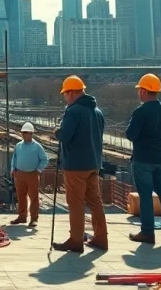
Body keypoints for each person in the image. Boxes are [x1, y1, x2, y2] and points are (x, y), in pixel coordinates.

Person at [53, 75, 108, 253]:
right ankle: (101, 237)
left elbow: (65, 136)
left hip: (76, 165)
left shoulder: (73, 111)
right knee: (95, 201)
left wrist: (57, 132)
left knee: (75, 203)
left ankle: (76, 240)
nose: (64, 98)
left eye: (65, 94)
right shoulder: (97, 111)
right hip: (94, 163)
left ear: (71, 93)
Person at [125, 73, 161, 245]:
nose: (139, 93)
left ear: (145, 91)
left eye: (140, 90)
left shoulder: (141, 112)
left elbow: (131, 135)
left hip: (143, 159)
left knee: (146, 196)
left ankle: (147, 232)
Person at [10, 122, 49, 227]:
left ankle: (34, 218)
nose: (24, 134)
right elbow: (14, 158)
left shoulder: (37, 147)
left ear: (31, 134)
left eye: (26, 132)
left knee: (34, 197)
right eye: (23, 132)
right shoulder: (18, 145)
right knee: (21, 196)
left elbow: (44, 159)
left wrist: (38, 170)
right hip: (20, 174)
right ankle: (22, 216)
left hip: (32, 174)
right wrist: (13, 169)